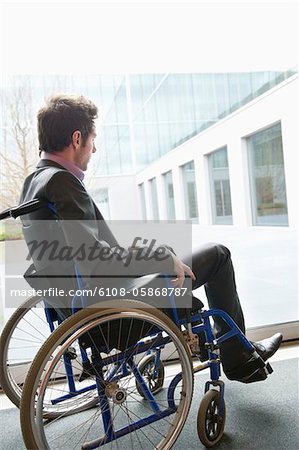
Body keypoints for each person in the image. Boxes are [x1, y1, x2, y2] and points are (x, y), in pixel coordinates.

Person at [19, 94, 282, 383]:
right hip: (112, 309)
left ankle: (237, 349)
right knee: (218, 255)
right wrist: (160, 257)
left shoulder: (35, 182)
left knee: (167, 249)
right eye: (94, 140)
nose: (95, 148)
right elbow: (95, 259)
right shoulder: (62, 183)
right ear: (77, 138)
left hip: (80, 303)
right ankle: (239, 358)